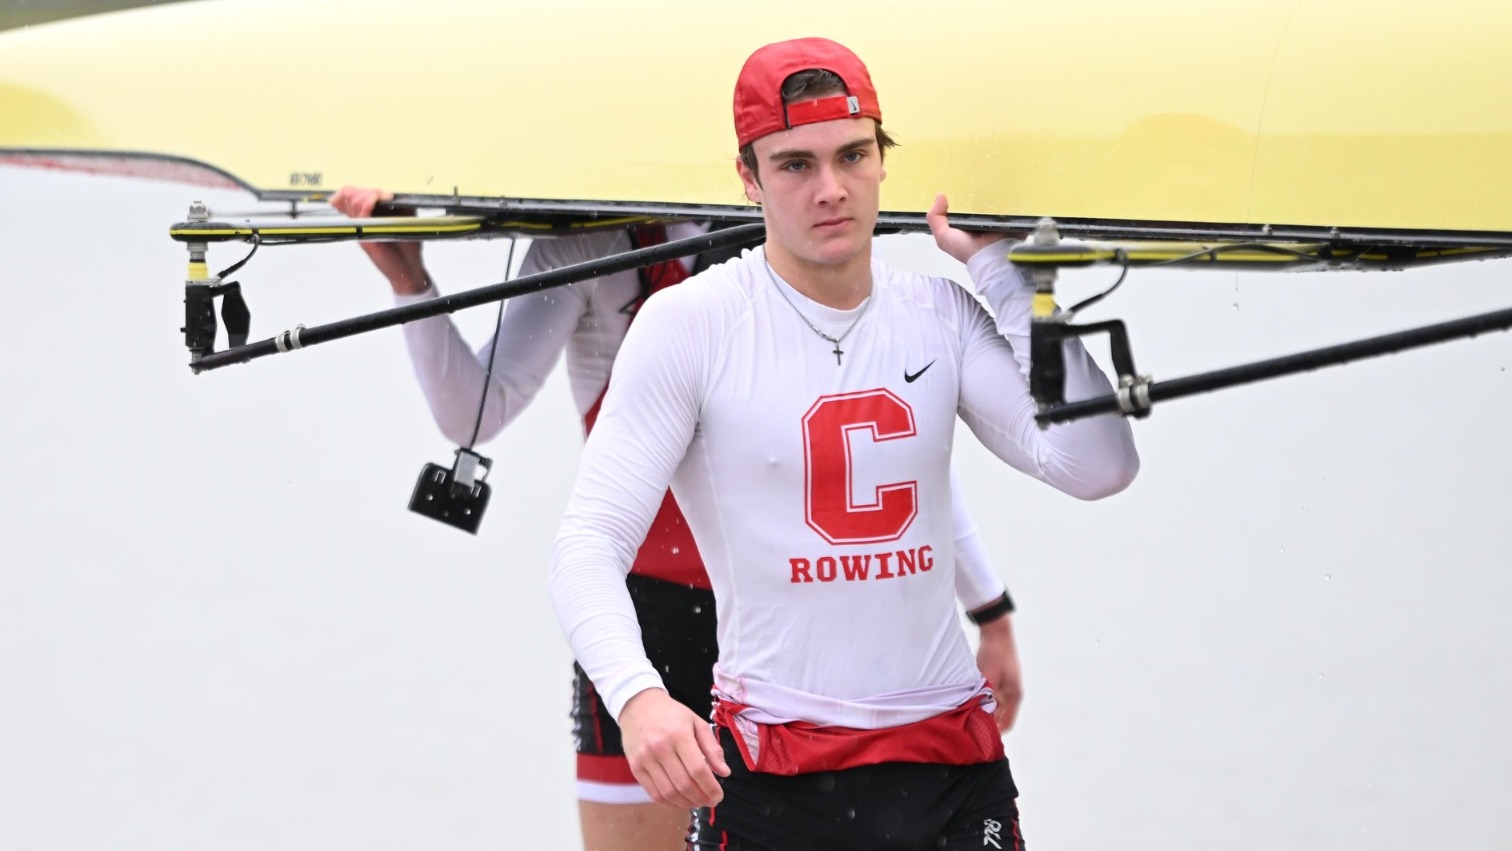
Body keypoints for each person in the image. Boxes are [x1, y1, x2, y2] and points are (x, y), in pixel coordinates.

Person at [548, 37, 1140, 850]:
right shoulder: (692, 325)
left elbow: (1101, 465)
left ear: (882, 161)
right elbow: (587, 542)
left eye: (853, 155)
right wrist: (638, 695)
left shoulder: (943, 314)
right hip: (770, 779)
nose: (831, 190)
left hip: (951, 767)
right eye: (795, 165)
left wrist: (1009, 280)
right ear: (747, 179)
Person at [328, 186, 1029, 850]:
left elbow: (883, 467)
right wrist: (411, 284)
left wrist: (990, 611)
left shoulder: (804, 247)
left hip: (792, 641)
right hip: (648, 634)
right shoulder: (590, 247)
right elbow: (472, 412)